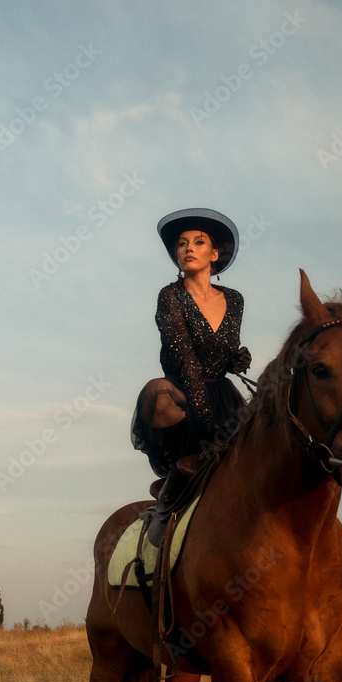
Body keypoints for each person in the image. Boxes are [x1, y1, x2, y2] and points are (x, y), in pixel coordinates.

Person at [131, 208, 251, 506]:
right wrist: (205, 417)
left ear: (214, 254)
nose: (188, 249)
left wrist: (236, 359)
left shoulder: (234, 299)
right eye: (182, 244)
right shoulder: (170, 295)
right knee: (157, 394)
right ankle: (176, 472)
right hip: (181, 389)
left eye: (198, 243)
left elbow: (223, 345)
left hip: (222, 393)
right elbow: (183, 356)